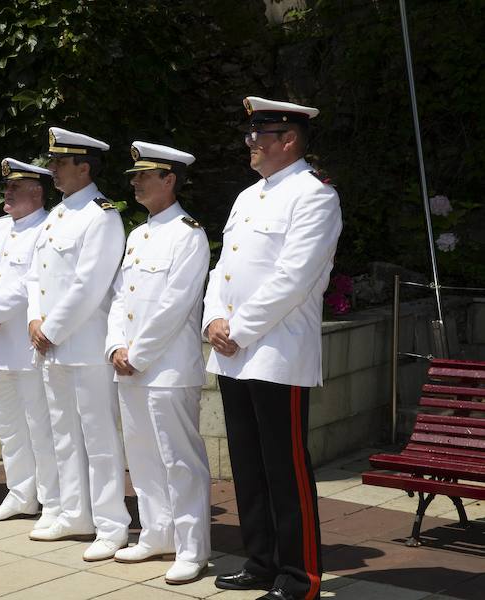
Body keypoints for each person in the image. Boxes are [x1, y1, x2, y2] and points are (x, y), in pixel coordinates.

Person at [202, 96, 342, 600]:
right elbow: (224, 267)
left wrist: (236, 328)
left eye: (260, 136)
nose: (251, 144)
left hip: (278, 352)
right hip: (235, 350)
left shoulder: (314, 196)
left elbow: (294, 279)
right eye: (250, 135)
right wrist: (214, 316)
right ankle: (261, 561)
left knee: (285, 468)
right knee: (248, 463)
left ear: (288, 140)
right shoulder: (248, 197)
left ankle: (300, 577)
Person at [23, 127, 131, 561]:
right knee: (63, 434)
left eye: (59, 163)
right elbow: (36, 273)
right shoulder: (59, 214)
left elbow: (90, 285)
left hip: (84, 345)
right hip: (52, 344)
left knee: (99, 438)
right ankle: (74, 512)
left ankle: (111, 524)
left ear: (84, 167)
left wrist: (51, 329)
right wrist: (34, 318)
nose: (51, 170)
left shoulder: (101, 215)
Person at [106, 141, 211, 584]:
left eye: (143, 175)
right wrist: (115, 347)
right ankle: (156, 532)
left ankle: (191, 548)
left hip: (167, 368)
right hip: (130, 365)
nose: (135, 182)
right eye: (134, 176)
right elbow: (119, 297)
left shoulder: (189, 235)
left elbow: (175, 304)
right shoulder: (138, 234)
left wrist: (139, 354)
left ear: (169, 179)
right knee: (143, 455)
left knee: (179, 460)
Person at [0, 158, 61, 529]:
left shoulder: (47, 227)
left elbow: (29, 284)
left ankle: (52, 501)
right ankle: (20, 493)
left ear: (36, 192)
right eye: (6, 186)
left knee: (41, 426)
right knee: (9, 427)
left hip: (23, 343)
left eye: (15, 187)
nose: (6, 192)